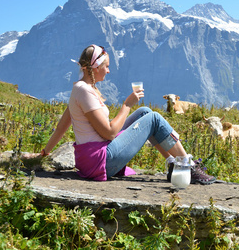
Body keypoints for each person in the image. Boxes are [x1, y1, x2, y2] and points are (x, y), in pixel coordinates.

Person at [23, 44, 216, 184]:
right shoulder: (85, 91)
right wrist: (126, 104)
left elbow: (62, 127)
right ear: (95, 67)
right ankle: (187, 166)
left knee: (145, 112)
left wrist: (44, 153)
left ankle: (173, 163)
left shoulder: (79, 89)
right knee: (154, 119)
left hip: (91, 159)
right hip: (100, 160)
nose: (108, 70)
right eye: (106, 66)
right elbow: (109, 133)